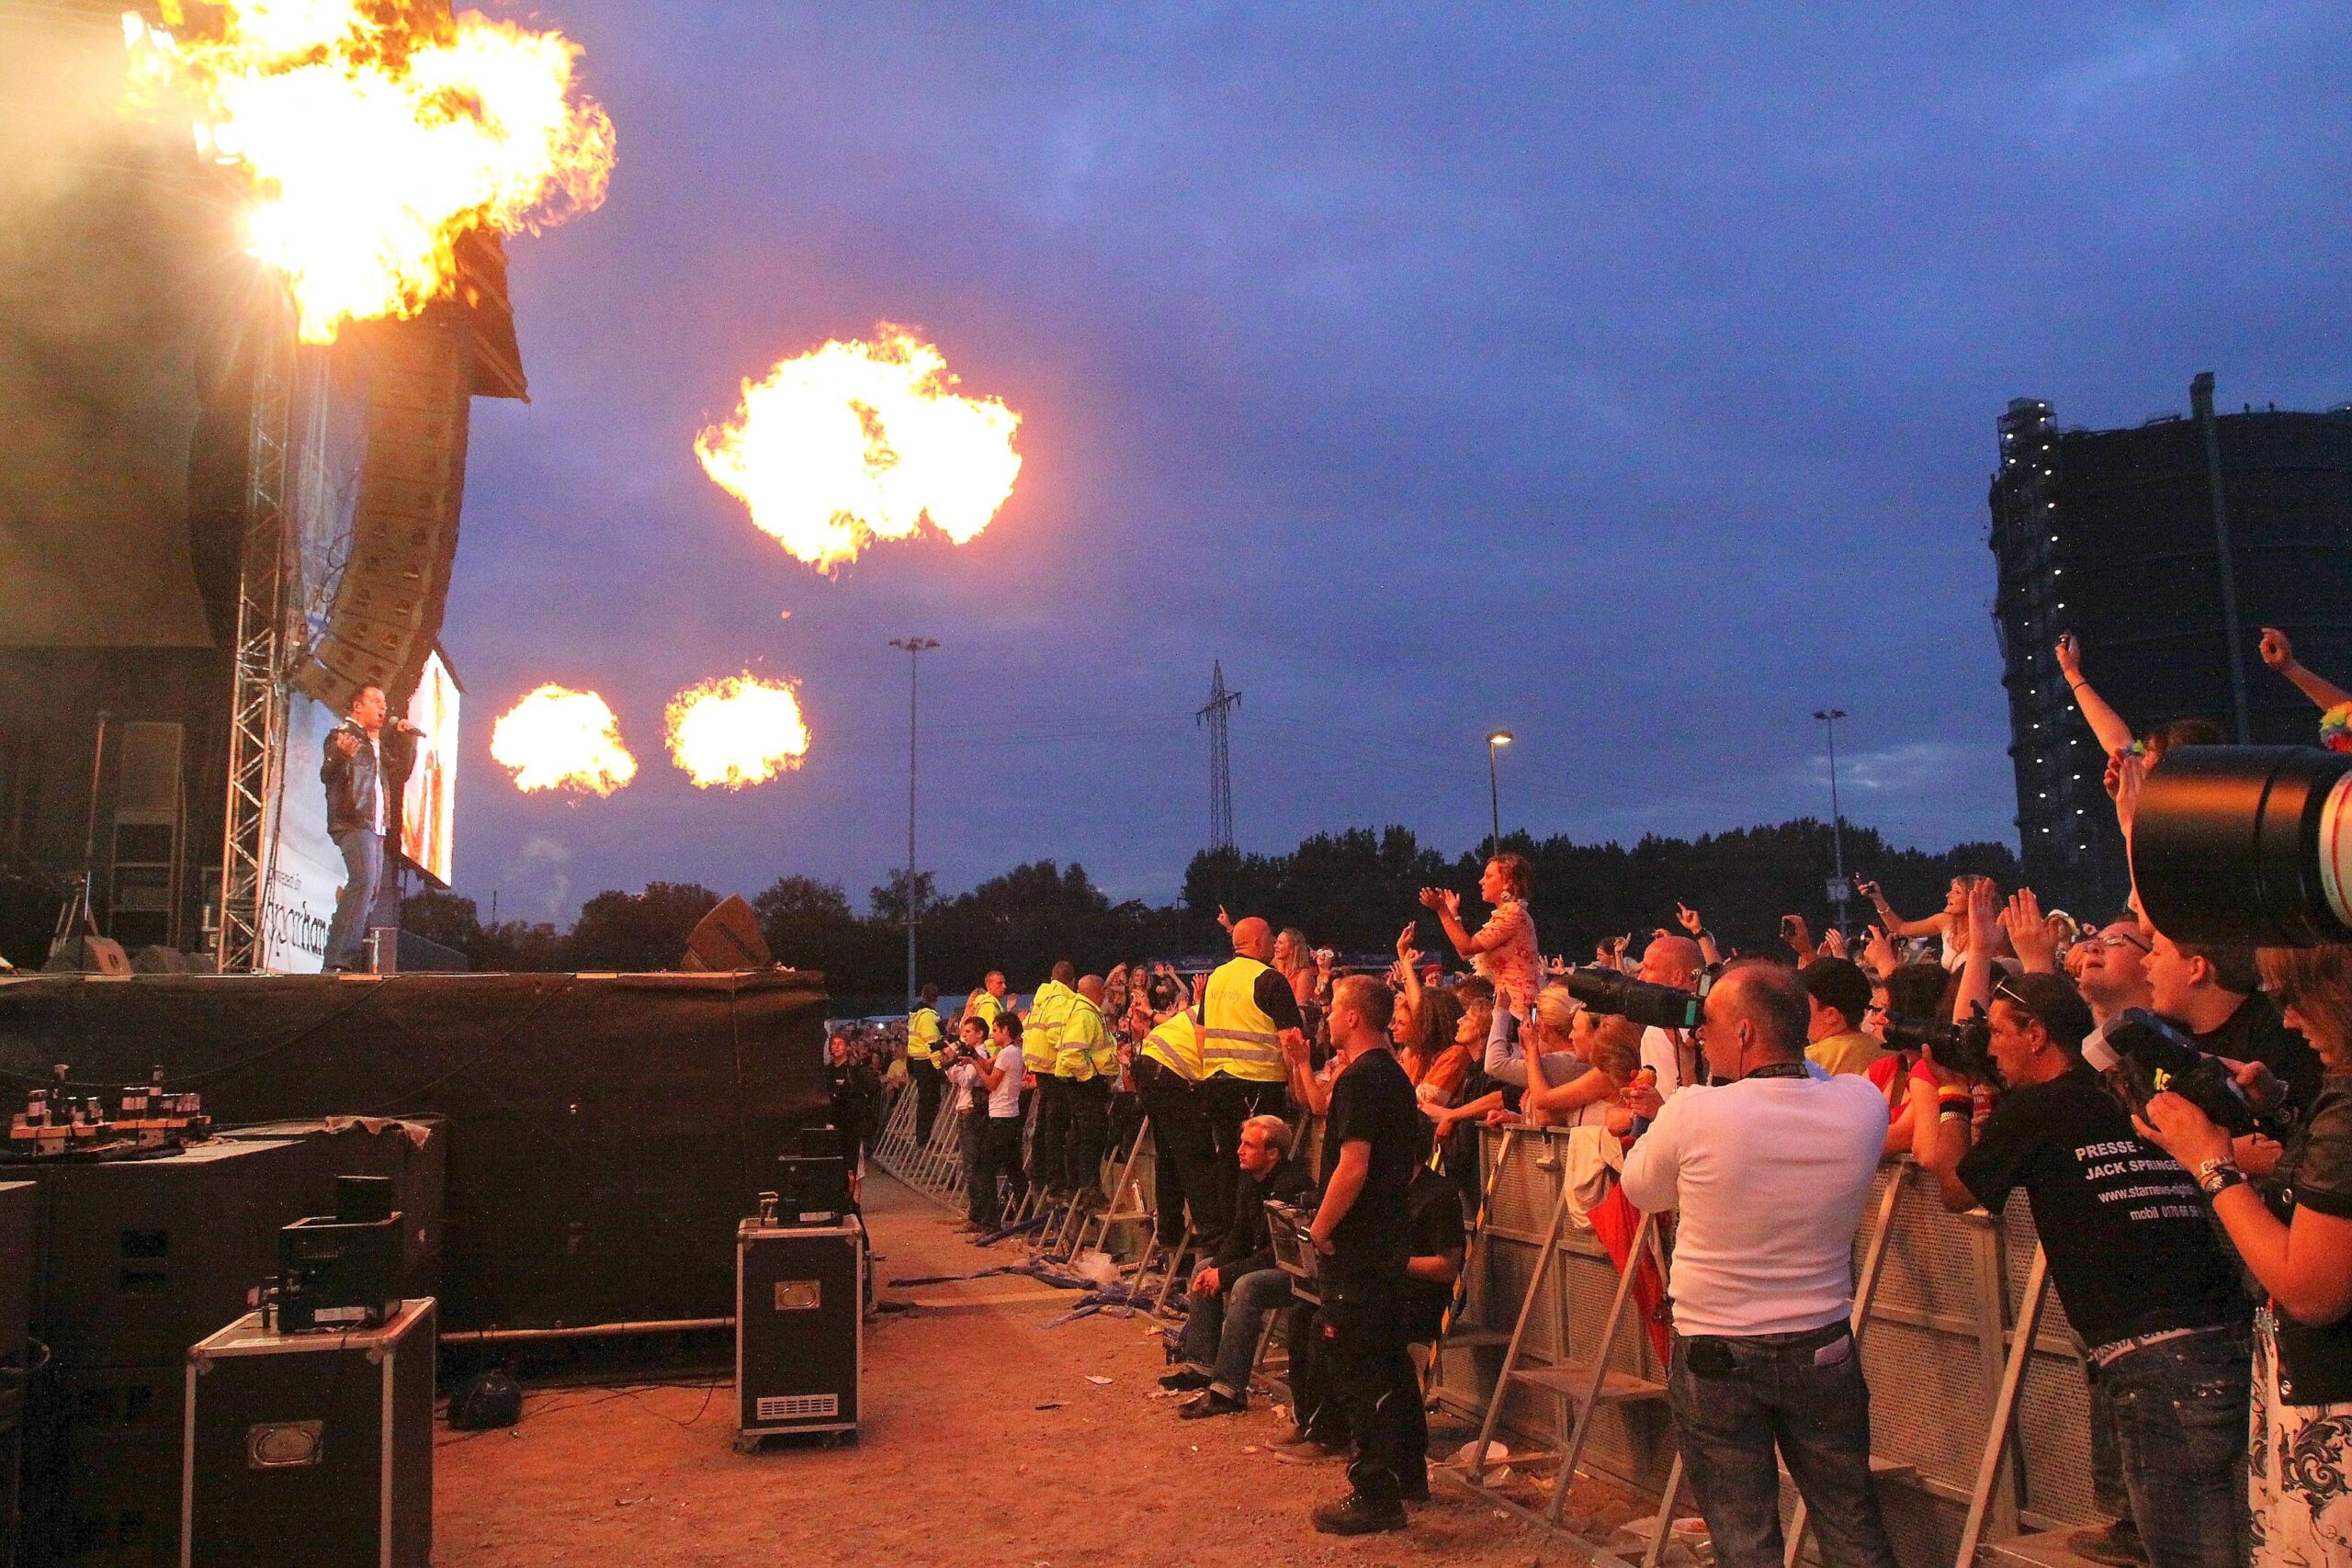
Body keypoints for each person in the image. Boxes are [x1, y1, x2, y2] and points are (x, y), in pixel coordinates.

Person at [1911, 963, 2251, 1568]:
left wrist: (1954, 1092)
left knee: (2190, 1554)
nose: (1990, 1048)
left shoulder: (2038, 1109)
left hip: (2155, 1358)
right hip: (2223, 1334)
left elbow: (1956, 1187)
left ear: (2036, 1033)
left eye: (1996, 1032)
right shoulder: (2125, 1093)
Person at [1618, 961, 1900, 1568]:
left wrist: (1688, 1085)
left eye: (1709, 1024)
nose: (1699, 1034)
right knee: (1853, 1524)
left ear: (1743, 1033)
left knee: (1745, 1540)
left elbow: (1641, 1187)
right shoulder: (1861, 1104)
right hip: (1823, 1341)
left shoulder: (1694, 1110)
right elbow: (1812, 1075)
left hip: (1717, 1348)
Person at [2136, 942, 2352, 1568]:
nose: (2286, 1021)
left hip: (2331, 1404)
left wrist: (2211, 1162)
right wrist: (2282, 1108)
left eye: (2293, 1001)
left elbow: (2310, 1288)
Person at [1305, 975, 1425, 1536]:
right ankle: (1408, 1474)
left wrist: (1320, 1230)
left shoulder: (1361, 1079)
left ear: (1354, 1017)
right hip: (1388, 1240)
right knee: (1390, 1361)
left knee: (1357, 1367)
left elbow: (1353, 1166)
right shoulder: (1396, 1079)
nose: (1326, 1016)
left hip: (1358, 1247)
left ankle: (1375, 1490)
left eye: (1332, 1008)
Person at [1168, 1113, 1307, 1418]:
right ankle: (1201, 1364)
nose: (1239, 1151)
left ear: (1272, 1153)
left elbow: (1279, 1254)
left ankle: (1228, 1390)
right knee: (1201, 1267)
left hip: (1297, 1272)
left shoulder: (1291, 1184)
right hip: (1268, 1261)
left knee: (1247, 1286)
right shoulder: (1250, 1179)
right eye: (1241, 1143)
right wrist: (1214, 1269)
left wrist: (1227, 1274)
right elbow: (1240, 1235)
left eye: (1248, 1145)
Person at [1200, 917, 1308, 1239]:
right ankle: (1255, 1242)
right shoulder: (1270, 979)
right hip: (1257, 1087)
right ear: (1259, 943)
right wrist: (1297, 1085)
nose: (1274, 945)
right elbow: (1291, 1038)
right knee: (1260, 1170)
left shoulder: (1216, 978)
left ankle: (1227, 1240)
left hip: (1216, 1082)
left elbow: (1201, 1032)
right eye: (1271, 938)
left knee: (1230, 1164)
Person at [2145, 931, 2326, 1112]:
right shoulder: (2161, 1033)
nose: (2144, 961)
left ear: (2197, 968)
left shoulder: (2282, 1033)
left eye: (2156, 952)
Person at [318, 683, 420, 972]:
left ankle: (343, 958)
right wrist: (341, 757)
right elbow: (328, 773)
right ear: (357, 707)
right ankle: (337, 960)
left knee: (369, 890)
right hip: (352, 821)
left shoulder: (376, 746)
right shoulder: (342, 736)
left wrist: (408, 740)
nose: (383, 707)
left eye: (384, 702)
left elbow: (400, 773)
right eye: (375, 700)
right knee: (362, 883)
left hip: (375, 827)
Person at [1134, 999, 1218, 1254]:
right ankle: (1213, 1235)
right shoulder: (1240, 1017)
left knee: (1169, 1155)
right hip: (1171, 1071)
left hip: (1150, 1065)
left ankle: (1170, 1231)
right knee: (1196, 1156)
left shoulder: (1214, 1004)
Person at [1419, 852, 1543, 1023]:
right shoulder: (1509, 914)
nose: (1481, 881)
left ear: (1508, 882)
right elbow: (1466, 955)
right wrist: (1453, 913)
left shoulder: (1512, 914)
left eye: (1488, 876)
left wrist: (1442, 910)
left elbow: (1466, 947)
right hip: (1512, 1009)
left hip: (1517, 1012)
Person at [1053, 975, 1118, 1206]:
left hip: (1078, 1082)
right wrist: (1089, 1076)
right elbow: (1073, 1054)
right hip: (1084, 1084)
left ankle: (1076, 1187)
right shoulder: (1085, 1015)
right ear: (1097, 990)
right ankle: (1088, 1190)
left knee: (1079, 1135)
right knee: (1091, 1135)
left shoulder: (1080, 1011)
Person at [1024, 963, 1077, 1198]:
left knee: (1045, 1124)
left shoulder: (1043, 998)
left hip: (1040, 1066)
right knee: (1055, 1128)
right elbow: (1058, 1035)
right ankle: (1055, 1182)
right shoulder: (1060, 1001)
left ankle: (1038, 1173)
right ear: (1072, 981)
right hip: (1054, 1067)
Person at [971, 1013, 1027, 1228]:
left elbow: (991, 1083)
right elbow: (988, 1064)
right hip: (1010, 1117)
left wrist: (975, 1067)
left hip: (1001, 1118)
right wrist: (973, 1058)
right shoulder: (1012, 1052)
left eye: (995, 1030)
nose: (992, 1034)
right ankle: (1026, 1217)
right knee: (1014, 1170)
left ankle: (990, 1223)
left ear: (1006, 1030)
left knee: (985, 1170)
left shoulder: (1007, 1054)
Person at [944, 1014, 993, 1229]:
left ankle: (979, 1216)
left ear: (980, 1033)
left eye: (969, 1032)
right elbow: (957, 1078)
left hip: (973, 1110)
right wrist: (952, 1064)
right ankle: (976, 1214)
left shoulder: (980, 1053)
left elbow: (966, 1080)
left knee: (974, 1165)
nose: (964, 1036)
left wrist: (953, 1064)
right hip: (965, 1108)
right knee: (969, 1164)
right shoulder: (970, 1055)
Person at [1801, 957, 1884, 1077]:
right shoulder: (1886, 1052)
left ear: (1831, 1015)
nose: (1798, 1010)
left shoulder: (1805, 1063)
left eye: (1804, 1003)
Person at [907, 983, 947, 1148]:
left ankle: (922, 1137)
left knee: (925, 1102)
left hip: (917, 1061)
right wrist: (940, 1068)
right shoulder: (928, 1016)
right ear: (936, 999)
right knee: (929, 1102)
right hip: (927, 1063)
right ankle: (924, 1139)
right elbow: (933, 1045)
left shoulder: (916, 1015)